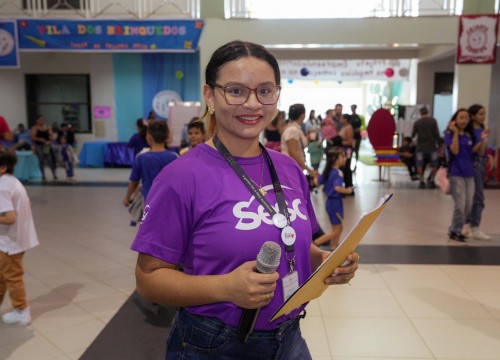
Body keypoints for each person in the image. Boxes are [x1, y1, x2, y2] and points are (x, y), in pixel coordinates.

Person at [130, 40, 359, 360]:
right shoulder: (181, 177)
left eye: (265, 91)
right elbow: (148, 279)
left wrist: (325, 263)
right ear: (210, 95)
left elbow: (292, 240)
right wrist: (225, 288)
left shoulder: (289, 169)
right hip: (213, 344)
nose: (253, 104)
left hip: (288, 337)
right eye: (236, 91)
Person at [0, 149, 40, 326]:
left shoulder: (2, 186)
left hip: (9, 242)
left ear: (2, 167)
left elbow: (10, 218)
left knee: (12, 277)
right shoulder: (13, 182)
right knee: (2, 275)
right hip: (15, 240)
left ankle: (21, 310)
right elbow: (27, 203)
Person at [444, 109, 487, 242]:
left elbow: (476, 152)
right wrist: (456, 132)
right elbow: (455, 150)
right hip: (456, 174)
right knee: (460, 205)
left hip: (469, 174)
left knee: (468, 205)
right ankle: (456, 230)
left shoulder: (469, 135)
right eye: (461, 117)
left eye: (466, 118)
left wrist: (482, 140)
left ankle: (454, 227)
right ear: (455, 119)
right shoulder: (448, 134)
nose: (464, 120)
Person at [123, 120, 178, 207]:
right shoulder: (174, 157)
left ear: (148, 138)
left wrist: (127, 197)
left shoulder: (141, 158)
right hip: (169, 203)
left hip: (149, 203)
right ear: (167, 137)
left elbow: (134, 181)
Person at [313, 148, 353, 249]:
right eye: (342, 156)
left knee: (339, 228)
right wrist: (348, 191)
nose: (344, 159)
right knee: (336, 230)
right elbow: (337, 188)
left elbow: (317, 182)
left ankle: (333, 247)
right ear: (335, 159)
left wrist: (314, 176)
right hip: (335, 203)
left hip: (330, 203)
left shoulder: (328, 171)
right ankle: (314, 244)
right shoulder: (338, 173)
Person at [463, 104, 490, 240]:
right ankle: (472, 226)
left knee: (476, 197)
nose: (483, 117)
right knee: (476, 197)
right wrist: (482, 141)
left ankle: (472, 226)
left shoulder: (482, 129)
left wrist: (488, 157)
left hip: (481, 164)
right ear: (473, 116)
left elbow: (483, 150)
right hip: (473, 165)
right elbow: (474, 150)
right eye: (480, 114)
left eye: (484, 114)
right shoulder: (470, 132)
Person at [281, 103, 317, 177]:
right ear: (302, 115)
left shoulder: (293, 128)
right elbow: (293, 152)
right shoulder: (293, 130)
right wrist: (308, 169)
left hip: (293, 166)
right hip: (291, 167)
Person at [411, 106, 441, 189]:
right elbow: (437, 134)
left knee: (419, 165)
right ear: (427, 112)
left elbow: (413, 135)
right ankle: (431, 180)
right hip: (432, 147)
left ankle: (421, 181)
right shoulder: (433, 121)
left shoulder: (417, 122)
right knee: (434, 164)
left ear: (420, 113)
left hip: (420, 147)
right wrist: (439, 145)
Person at [31, 114, 57, 181]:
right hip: (39, 145)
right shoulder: (35, 128)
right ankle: (43, 175)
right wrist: (40, 139)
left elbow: (51, 136)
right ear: (37, 120)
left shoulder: (47, 127)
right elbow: (32, 137)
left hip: (46, 145)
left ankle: (54, 174)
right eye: (40, 120)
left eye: (43, 119)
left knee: (49, 160)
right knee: (41, 160)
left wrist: (51, 138)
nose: (42, 121)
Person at [338, 113, 354, 189]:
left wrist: (339, 142)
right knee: (345, 167)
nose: (340, 120)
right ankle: (346, 184)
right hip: (344, 149)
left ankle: (348, 185)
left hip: (347, 149)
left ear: (345, 119)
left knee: (346, 167)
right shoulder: (344, 127)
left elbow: (350, 142)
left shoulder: (348, 128)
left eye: (342, 118)